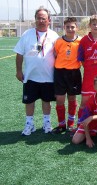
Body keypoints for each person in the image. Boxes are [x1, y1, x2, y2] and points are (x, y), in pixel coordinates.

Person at [14, 7, 59, 136]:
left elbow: (58, 55)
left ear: (49, 20)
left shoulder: (54, 35)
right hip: (30, 76)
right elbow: (19, 53)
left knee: (47, 101)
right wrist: (18, 71)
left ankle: (47, 123)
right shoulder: (27, 34)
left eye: (43, 18)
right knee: (29, 101)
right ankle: (29, 124)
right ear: (35, 20)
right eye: (38, 18)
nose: (40, 20)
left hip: (48, 76)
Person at [77, 15, 97, 127]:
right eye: (94, 24)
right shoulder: (84, 41)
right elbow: (81, 59)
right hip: (88, 78)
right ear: (90, 25)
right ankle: (80, 124)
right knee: (84, 103)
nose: (96, 26)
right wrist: (89, 67)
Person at [52, 17, 82, 134]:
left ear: (76, 28)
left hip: (74, 73)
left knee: (72, 98)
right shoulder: (59, 41)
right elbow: (55, 54)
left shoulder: (80, 41)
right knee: (60, 99)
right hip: (60, 73)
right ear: (64, 28)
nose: (70, 29)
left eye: (72, 27)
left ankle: (70, 124)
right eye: (67, 27)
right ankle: (61, 124)